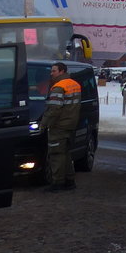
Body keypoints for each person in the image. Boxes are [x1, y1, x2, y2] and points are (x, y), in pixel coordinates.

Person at [42, 62, 81, 192]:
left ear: (61, 71)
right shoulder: (75, 84)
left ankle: (57, 183)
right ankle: (70, 181)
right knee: (66, 153)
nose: (51, 73)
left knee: (56, 154)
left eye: (54, 71)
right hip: (71, 124)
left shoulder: (58, 87)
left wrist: (44, 124)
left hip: (59, 125)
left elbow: (54, 109)